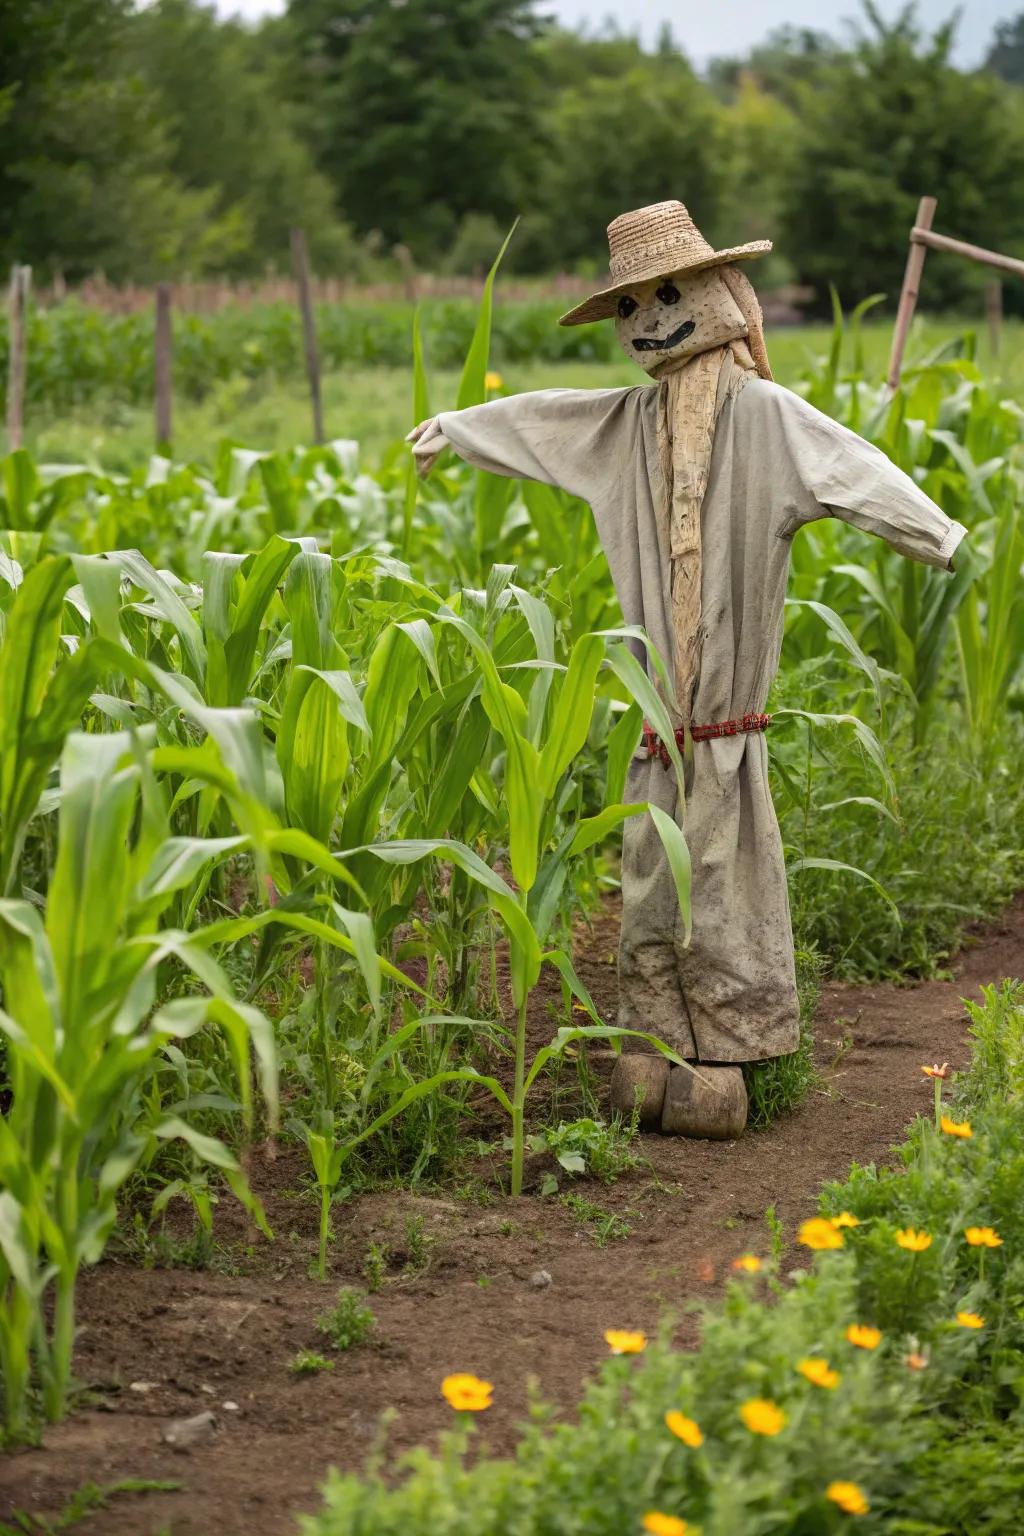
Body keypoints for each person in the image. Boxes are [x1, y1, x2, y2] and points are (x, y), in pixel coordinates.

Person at [408, 200, 967, 1138]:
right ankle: (655, 1043)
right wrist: (458, 429)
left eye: (666, 295)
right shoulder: (628, 426)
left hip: (726, 725)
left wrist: (935, 535)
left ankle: (728, 1062)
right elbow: (546, 420)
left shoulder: (766, 417)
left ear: (716, 292)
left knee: (724, 877)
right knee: (652, 879)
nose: (648, 319)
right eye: (630, 305)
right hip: (660, 726)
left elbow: (854, 465)